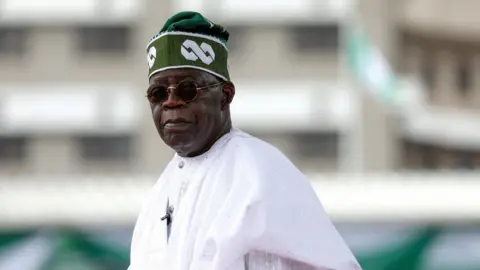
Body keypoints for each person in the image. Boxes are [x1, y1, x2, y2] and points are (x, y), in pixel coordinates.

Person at [129, 11, 361, 270]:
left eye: (187, 89)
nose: (171, 102)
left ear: (225, 96)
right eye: (158, 93)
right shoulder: (157, 196)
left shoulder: (262, 172)